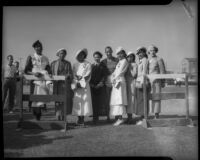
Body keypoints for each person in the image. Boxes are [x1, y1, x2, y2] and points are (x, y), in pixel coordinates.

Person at [24, 40, 51, 120]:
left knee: (42, 96)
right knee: (35, 96)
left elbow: (48, 69)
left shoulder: (45, 58)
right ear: (34, 48)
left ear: (42, 48)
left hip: (43, 79)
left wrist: (49, 73)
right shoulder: (31, 57)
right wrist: (34, 74)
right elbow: (26, 70)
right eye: (36, 47)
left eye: (40, 46)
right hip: (34, 80)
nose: (38, 48)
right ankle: (36, 114)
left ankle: (39, 113)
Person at [71, 48, 93, 126]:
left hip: (84, 86)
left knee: (84, 102)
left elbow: (88, 74)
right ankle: (78, 119)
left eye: (82, 54)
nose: (81, 56)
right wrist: (76, 81)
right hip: (77, 85)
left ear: (84, 55)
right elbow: (73, 74)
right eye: (79, 55)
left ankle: (82, 119)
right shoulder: (74, 64)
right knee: (77, 101)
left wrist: (82, 81)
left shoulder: (88, 64)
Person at [50, 48, 73, 121]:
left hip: (64, 85)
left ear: (65, 55)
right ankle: (58, 116)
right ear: (58, 54)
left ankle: (63, 117)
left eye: (63, 53)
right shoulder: (53, 63)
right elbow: (50, 74)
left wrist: (68, 76)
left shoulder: (68, 63)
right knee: (57, 101)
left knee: (64, 101)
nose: (62, 55)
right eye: (61, 53)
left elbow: (70, 74)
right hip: (56, 85)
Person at [110, 47, 129, 126]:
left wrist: (114, 78)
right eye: (118, 54)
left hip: (120, 81)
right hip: (116, 82)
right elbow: (114, 72)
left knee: (119, 99)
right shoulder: (119, 62)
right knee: (116, 99)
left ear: (123, 53)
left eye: (121, 53)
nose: (119, 55)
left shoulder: (124, 61)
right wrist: (112, 78)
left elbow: (120, 72)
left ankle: (120, 118)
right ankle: (118, 118)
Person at [147, 45, 166, 119]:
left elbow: (162, 71)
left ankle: (156, 114)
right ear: (149, 52)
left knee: (157, 97)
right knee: (151, 97)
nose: (152, 52)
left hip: (157, 82)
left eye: (153, 50)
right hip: (150, 82)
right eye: (151, 50)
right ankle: (152, 113)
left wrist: (163, 81)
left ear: (156, 51)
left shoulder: (159, 59)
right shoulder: (148, 60)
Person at [90, 51, 107, 124]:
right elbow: (89, 76)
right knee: (93, 103)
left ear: (100, 57)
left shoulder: (103, 66)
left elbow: (104, 76)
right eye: (95, 57)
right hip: (92, 86)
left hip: (100, 86)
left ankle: (98, 119)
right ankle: (94, 118)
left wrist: (100, 83)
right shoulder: (91, 66)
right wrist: (91, 84)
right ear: (93, 57)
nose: (97, 58)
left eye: (98, 57)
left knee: (99, 103)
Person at [101, 46, 118, 122]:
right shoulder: (103, 62)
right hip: (107, 82)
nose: (108, 53)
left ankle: (117, 116)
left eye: (109, 51)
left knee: (116, 100)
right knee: (107, 100)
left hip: (115, 82)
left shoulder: (116, 60)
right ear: (105, 53)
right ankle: (108, 117)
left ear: (112, 52)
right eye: (107, 52)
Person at [135, 47, 150, 125]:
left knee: (143, 100)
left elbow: (144, 72)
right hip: (138, 82)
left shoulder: (145, 60)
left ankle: (144, 118)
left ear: (144, 53)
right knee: (140, 101)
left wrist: (142, 82)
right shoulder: (140, 61)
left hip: (143, 82)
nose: (139, 54)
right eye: (138, 53)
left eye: (141, 52)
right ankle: (142, 117)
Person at [125, 52, 138, 124]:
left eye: (131, 57)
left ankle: (130, 118)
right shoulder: (126, 64)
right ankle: (128, 117)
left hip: (132, 84)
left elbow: (134, 75)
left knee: (131, 100)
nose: (129, 58)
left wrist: (130, 68)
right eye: (128, 57)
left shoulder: (134, 65)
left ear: (133, 57)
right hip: (126, 84)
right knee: (127, 101)